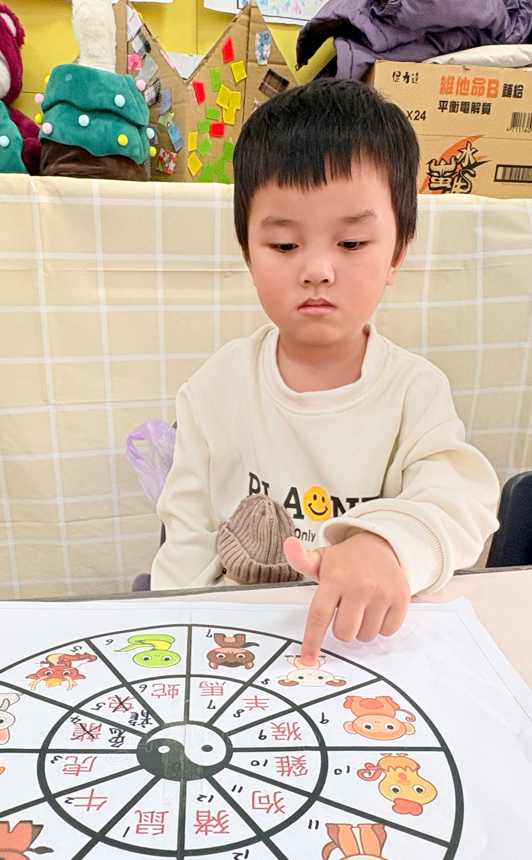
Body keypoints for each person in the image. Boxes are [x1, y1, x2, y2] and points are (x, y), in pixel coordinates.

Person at [151, 79, 500, 660]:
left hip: (364, 643)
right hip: (237, 643)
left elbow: (461, 498)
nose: (317, 269)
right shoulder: (215, 388)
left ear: (398, 251)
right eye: (285, 246)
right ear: (247, 251)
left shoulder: (414, 392)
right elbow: (185, 540)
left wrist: (387, 546)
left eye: (352, 242)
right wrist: (175, 635)